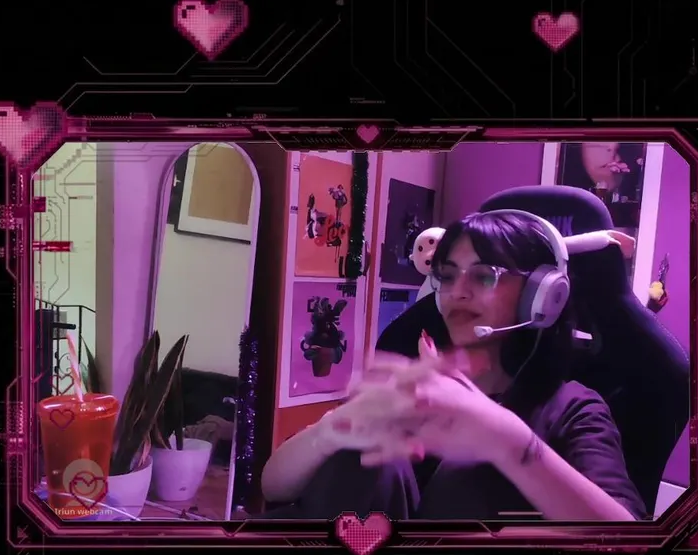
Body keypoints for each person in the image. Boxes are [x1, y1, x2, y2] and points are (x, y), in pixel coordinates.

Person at [260, 210, 647, 522]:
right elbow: (272, 486)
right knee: (357, 454)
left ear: (542, 294)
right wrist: (329, 433)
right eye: (446, 276)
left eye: (484, 275)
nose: (457, 292)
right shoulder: (411, 388)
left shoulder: (573, 409)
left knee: (470, 477)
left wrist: (507, 440)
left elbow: (626, 541)